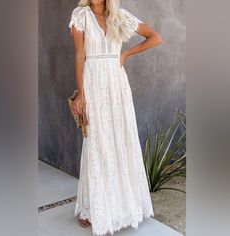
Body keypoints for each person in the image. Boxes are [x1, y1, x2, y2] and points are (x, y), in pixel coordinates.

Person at [68, 0, 162, 235]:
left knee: (121, 138)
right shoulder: (80, 15)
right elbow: (80, 55)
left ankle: (122, 206)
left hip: (117, 84)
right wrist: (80, 94)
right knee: (97, 142)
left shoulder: (121, 16)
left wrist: (127, 54)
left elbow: (155, 37)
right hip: (93, 83)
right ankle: (91, 208)